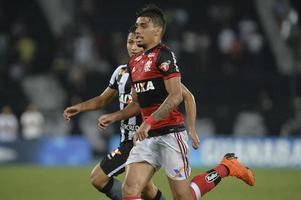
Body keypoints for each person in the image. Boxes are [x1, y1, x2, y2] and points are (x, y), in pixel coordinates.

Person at [98, 5, 255, 200]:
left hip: (170, 134)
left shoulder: (164, 56)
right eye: (137, 26)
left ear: (157, 30)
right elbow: (136, 103)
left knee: (183, 197)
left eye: (143, 26)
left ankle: (227, 167)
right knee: (130, 191)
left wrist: (160, 124)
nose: (137, 30)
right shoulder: (134, 63)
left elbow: (176, 96)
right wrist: (114, 116)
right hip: (146, 138)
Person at [63, 26, 198, 200]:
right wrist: (80, 108)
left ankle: (223, 170)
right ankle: (226, 168)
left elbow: (185, 96)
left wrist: (192, 128)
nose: (133, 47)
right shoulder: (121, 72)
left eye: (136, 42)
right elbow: (103, 99)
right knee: (145, 191)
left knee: (99, 178)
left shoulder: (155, 69)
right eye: (129, 42)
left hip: (143, 140)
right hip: (128, 140)